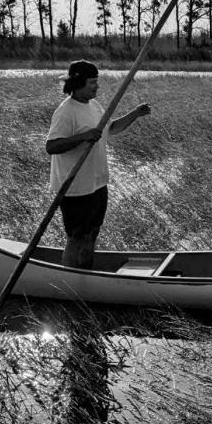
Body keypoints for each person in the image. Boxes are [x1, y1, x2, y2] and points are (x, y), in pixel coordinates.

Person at [46, 60, 151, 269]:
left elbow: (110, 129)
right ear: (77, 84)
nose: (97, 86)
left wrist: (136, 114)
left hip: (97, 184)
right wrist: (84, 136)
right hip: (75, 188)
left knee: (92, 235)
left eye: (97, 82)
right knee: (76, 237)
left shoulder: (94, 105)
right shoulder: (66, 111)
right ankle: (69, 281)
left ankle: (85, 276)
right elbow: (52, 146)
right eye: (92, 82)